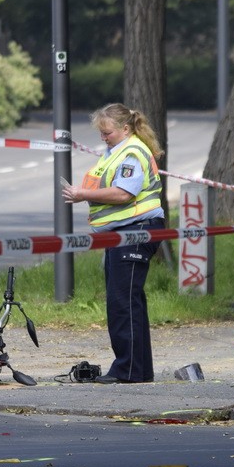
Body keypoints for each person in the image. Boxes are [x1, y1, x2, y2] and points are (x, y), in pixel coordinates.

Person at [62, 103, 165, 384]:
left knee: (122, 303)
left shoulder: (131, 152)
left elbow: (123, 193)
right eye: (101, 133)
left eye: (107, 132)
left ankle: (127, 370)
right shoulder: (117, 151)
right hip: (126, 232)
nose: (103, 137)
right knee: (130, 302)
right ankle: (139, 370)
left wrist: (83, 194)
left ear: (125, 129)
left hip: (136, 231)